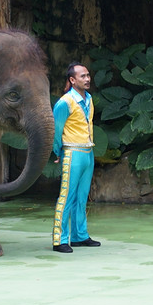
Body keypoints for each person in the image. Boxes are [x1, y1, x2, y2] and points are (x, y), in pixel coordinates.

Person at [51, 62, 100, 253]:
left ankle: (80, 236)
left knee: (81, 197)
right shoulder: (65, 102)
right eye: (83, 76)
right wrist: (58, 151)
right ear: (72, 80)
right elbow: (56, 130)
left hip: (88, 152)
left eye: (88, 75)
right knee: (66, 197)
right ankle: (59, 239)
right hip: (72, 152)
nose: (87, 79)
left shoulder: (89, 99)